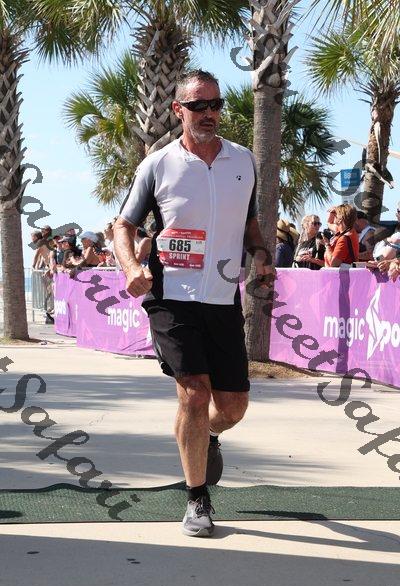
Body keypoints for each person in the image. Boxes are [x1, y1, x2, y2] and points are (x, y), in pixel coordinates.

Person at [114, 69, 273, 538]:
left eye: (215, 104)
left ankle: (210, 434)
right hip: (171, 296)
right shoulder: (158, 165)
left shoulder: (243, 160)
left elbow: (249, 225)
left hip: (223, 297)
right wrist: (131, 268)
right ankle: (197, 499)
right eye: (198, 105)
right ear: (177, 110)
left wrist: (262, 256)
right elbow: (123, 225)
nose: (208, 113)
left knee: (233, 405)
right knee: (194, 393)